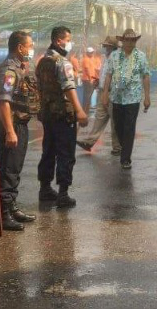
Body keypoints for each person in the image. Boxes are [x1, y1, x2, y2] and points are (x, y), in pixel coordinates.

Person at [37, 26, 89, 208]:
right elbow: (68, 88)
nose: (69, 43)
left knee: (48, 151)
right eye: (68, 39)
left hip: (48, 114)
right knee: (66, 153)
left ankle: (44, 188)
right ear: (59, 40)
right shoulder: (62, 62)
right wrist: (80, 111)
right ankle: (63, 193)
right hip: (63, 115)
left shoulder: (43, 61)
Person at [0, 30, 40, 232]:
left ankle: (11, 207)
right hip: (11, 126)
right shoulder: (9, 70)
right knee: (8, 169)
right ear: (20, 47)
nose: (31, 49)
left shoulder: (20, 67)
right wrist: (10, 132)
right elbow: (4, 102)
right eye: (29, 46)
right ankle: (3, 215)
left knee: (15, 168)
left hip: (20, 124)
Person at [106, 28, 151, 170]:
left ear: (135, 41)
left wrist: (147, 97)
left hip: (133, 98)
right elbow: (108, 75)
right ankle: (124, 147)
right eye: (128, 40)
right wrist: (104, 94)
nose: (130, 43)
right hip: (116, 97)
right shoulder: (114, 56)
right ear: (122, 41)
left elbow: (145, 75)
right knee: (118, 126)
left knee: (129, 127)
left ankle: (125, 158)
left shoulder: (141, 56)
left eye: (133, 40)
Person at [76, 36, 120, 153]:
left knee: (115, 120)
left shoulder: (117, 59)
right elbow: (104, 73)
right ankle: (89, 142)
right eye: (104, 46)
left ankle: (117, 147)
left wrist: (106, 90)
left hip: (112, 92)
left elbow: (113, 76)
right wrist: (98, 80)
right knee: (99, 117)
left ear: (112, 47)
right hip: (101, 91)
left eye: (106, 46)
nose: (104, 48)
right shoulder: (105, 58)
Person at [80, 46, 103, 114]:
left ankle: (87, 110)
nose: (92, 53)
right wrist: (90, 79)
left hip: (91, 79)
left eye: (92, 52)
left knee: (89, 96)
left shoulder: (91, 59)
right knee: (87, 96)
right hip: (87, 80)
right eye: (90, 52)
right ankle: (84, 111)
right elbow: (87, 70)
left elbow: (94, 69)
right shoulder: (86, 59)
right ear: (87, 53)